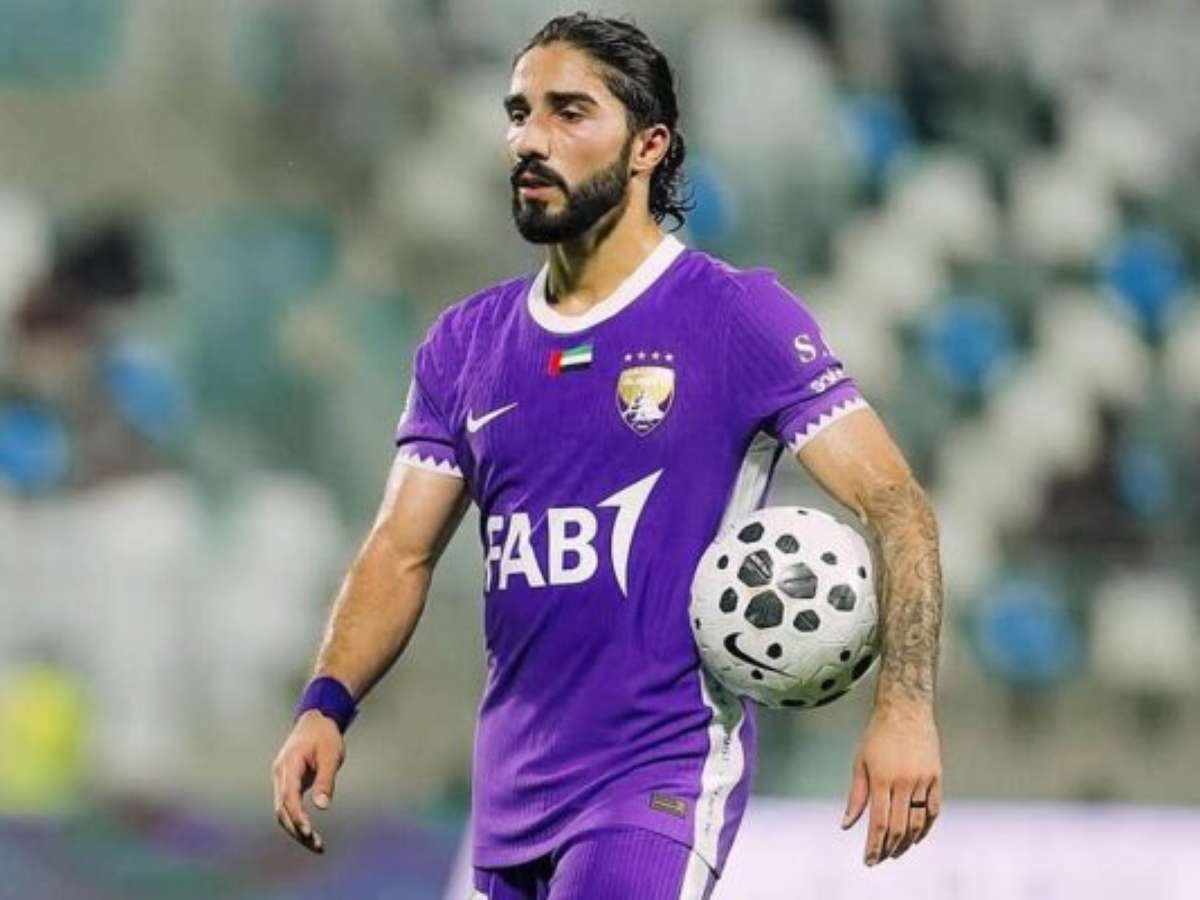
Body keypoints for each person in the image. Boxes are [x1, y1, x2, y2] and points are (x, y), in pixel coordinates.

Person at [271, 13, 943, 899]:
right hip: (508, 800)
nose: (529, 140)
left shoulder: (733, 316)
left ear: (647, 147)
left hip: (656, 781)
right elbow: (400, 550)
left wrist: (905, 709)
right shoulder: (465, 344)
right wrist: (327, 704)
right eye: (519, 113)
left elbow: (897, 504)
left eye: (569, 112)